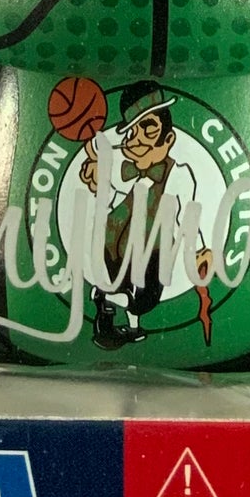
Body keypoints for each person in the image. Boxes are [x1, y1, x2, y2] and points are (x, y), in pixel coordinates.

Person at [80, 83, 214, 349]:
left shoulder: (179, 174)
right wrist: (98, 179)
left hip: (149, 246)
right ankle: (105, 298)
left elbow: (188, 216)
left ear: (169, 139)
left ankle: (128, 323)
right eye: (131, 133)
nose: (136, 139)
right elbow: (111, 198)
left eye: (148, 129)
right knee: (141, 296)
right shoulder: (124, 169)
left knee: (142, 296)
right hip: (117, 243)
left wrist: (199, 249)